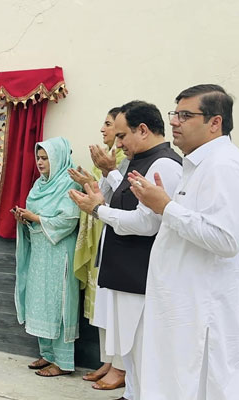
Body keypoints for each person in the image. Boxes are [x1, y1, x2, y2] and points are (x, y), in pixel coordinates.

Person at [131, 85, 239, 400]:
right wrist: (163, 206)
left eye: (185, 115)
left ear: (215, 122)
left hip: (200, 314)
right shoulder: (198, 164)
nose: (175, 122)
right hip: (181, 307)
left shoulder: (222, 166)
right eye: (174, 114)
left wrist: (164, 207)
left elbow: (226, 239)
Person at [69, 100, 182, 400]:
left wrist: (99, 210)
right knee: (131, 351)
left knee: (145, 350)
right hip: (126, 275)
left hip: (142, 277)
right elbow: (128, 199)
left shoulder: (164, 164)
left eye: (122, 136)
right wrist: (107, 178)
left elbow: (149, 223)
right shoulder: (142, 160)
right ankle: (132, 395)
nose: (118, 143)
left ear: (142, 130)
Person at [68, 107, 128, 390]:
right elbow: (104, 194)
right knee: (104, 307)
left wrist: (100, 179)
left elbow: (122, 198)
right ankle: (108, 361)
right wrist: (88, 183)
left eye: (108, 124)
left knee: (119, 309)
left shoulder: (125, 160)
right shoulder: (105, 160)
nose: (103, 130)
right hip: (103, 236)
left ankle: (121, 366)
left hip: (120, 236)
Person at [13, 137, 80, 377]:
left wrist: (35, 218)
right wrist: (24, 219)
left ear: (58, 158)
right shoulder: (39, 185)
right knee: (40, 301)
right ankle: (48, 354)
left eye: (45, 158)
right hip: (40, 252)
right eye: (38, 158)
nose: (40, 162)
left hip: (59, 252)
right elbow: (36, 216)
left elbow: (69, 221)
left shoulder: (69, 184)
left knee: (58, 304)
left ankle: (62, 362)